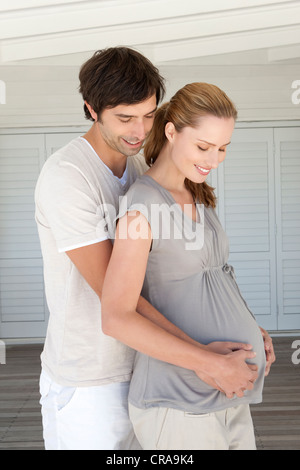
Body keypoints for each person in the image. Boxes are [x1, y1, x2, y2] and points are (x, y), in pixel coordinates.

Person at [35, 46, 274, 450]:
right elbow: (116, 300)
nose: (139, 130)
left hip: (155, 367)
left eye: (148, 115)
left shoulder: (140, 169)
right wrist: (205, 357)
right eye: (125, 118)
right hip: (93, 381)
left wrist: (243, 330)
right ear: (92, 109)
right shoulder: (68, 178)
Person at [101, 82, 275, 450]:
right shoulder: (142, 205)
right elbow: (116, 316)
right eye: (203, 146)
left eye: (223, 148)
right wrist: (211, 364)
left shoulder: (196, 194)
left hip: (228, 390)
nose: (213, 160)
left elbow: (212, 280)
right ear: (171, 131)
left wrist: (253, 330)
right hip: (179, 400)